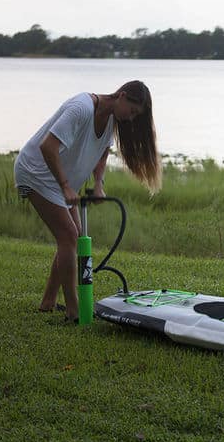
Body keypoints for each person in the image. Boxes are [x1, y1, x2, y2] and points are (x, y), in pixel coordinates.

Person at [14, 80, 162, 322]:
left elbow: (102, 150)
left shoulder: (113, 119)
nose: (131, 119)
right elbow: (47, 147)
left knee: (73, 235)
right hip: (36, 173)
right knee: (69, 236)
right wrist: (64, 186)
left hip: (60, 180)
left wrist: (98, 184)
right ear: (121, 96)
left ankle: (48, 301)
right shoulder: (81, 108)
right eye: (133, 111)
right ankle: (75, 310)